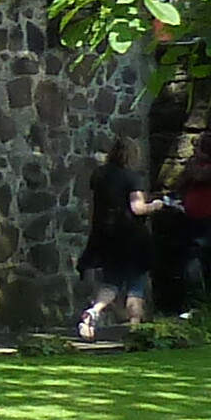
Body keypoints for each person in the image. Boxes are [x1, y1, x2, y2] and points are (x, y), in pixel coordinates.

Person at [78, 138, 158, 341]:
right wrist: (156, 205)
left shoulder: (99, 175)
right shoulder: (132, 178)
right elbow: (137, 208)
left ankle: (94, 311)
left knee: (111, 282)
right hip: (131, 236)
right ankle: (135, 330)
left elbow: (92, 205)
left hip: (106, 235)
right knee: (136, 285)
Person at [176, 130, 211, 296]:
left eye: (197, 148)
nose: (193, 151)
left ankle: (205, 299)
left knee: (205, 259)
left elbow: (201, 177)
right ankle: (192, 298)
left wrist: (192, 164)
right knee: (189, 258)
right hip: (192, 218)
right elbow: (181, 182)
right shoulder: (195, 165)